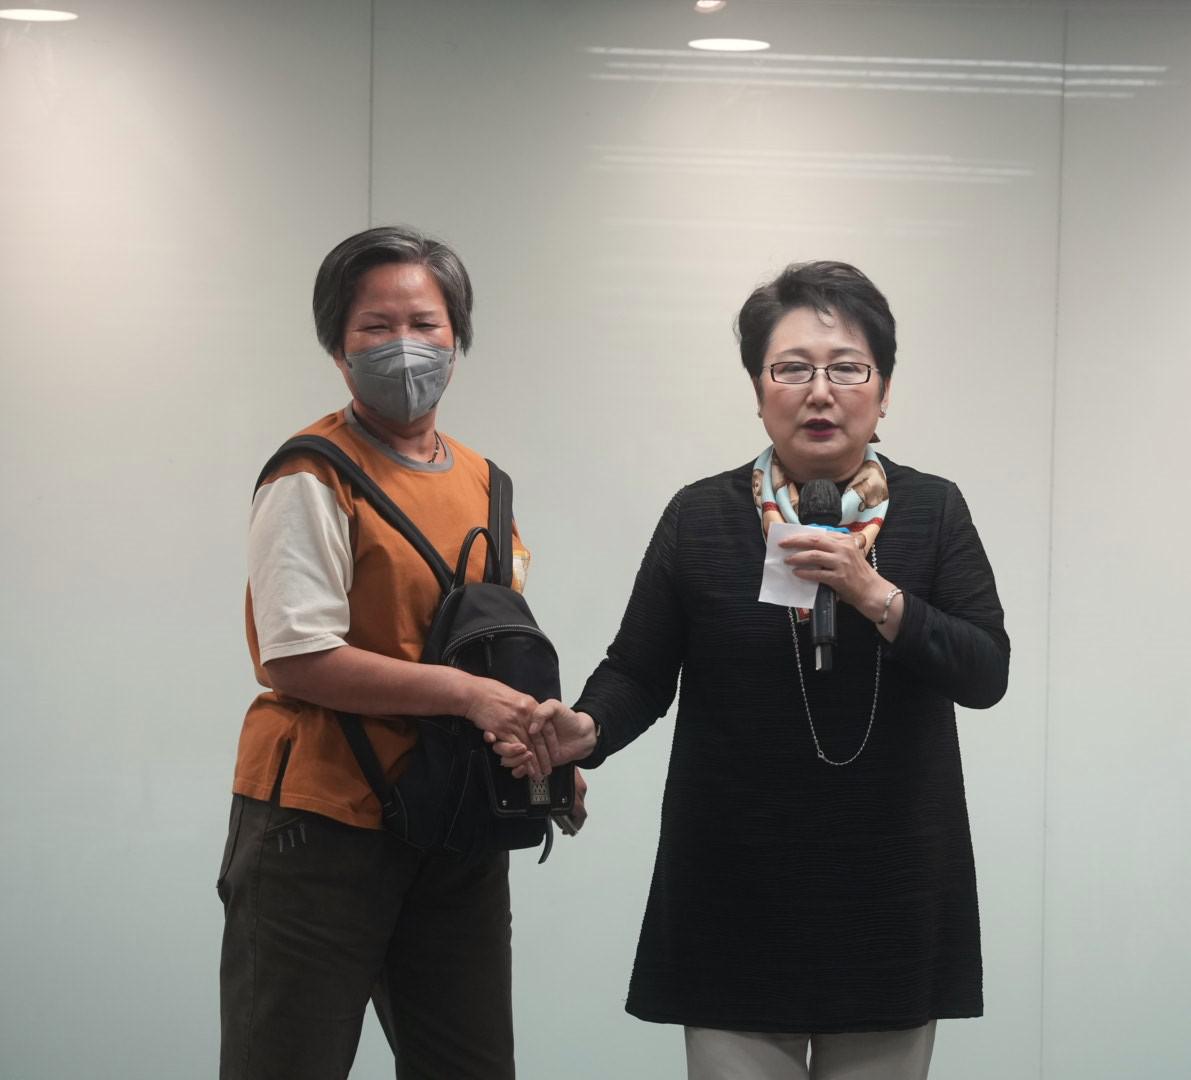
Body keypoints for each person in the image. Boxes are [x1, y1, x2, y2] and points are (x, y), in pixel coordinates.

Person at [526, 260, 1009, 1079]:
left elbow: (985, 669)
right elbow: (638, 670)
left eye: (847, 368)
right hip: (734, 889)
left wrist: (874, 594)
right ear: (758, 390)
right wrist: (587, 728)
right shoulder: (700, 516)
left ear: (884, 392)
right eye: (792, 369)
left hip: (890, 891)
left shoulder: (934, 512)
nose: (820, 392)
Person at [216, 225, 596, 1080]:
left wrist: (538, 752)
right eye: (376, 326)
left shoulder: (486, 483)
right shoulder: (312, 474)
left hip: (456, 821)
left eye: (425, 324)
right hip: (319, 827)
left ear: (457, 338)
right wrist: (466, 697)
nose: (404, 345)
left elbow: (490, 650)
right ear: (338, 346)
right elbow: (297, 657)